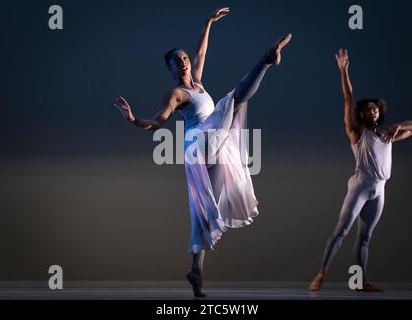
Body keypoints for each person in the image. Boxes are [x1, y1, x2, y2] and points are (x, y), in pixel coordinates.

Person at [113, 7, 292, 297]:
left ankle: (195, 270)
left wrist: (208, 22)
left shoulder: (197, 81)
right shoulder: (176, 94)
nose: (183, 62)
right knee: (231, 101)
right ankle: (266, 60)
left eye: (183, 58)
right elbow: (158, 122)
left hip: (213, 145)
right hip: (200, 142)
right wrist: (133, 119)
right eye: (176, 62)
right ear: (170, 69)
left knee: (203, 213)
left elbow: (201, 53)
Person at [308, 48, 412, 292]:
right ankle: (320, 274)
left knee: (365, 237)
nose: (374, 111)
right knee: (342, 230)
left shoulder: (387, 136)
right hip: (361, 185)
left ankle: (360, 282)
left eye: (376, 109)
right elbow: (349, 98)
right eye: (369, 109)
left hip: (380, 189)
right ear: (362, 114)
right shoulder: (358, 132)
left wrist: (399, 125)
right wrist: (344, 71)